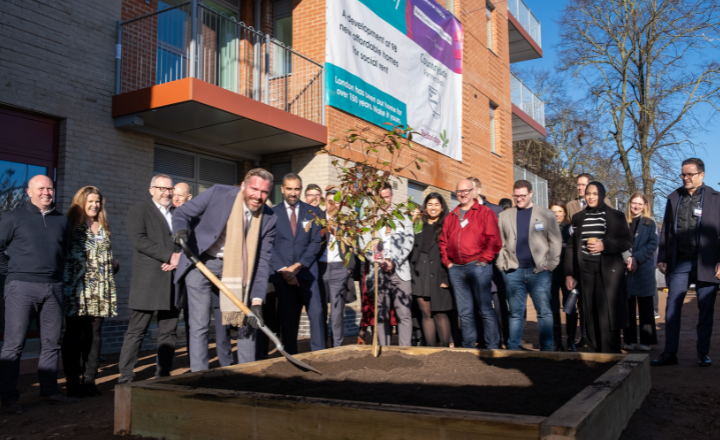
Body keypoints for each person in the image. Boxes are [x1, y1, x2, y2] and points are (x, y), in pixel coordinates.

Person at [172, 168, 277, 370]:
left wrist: (256, 301)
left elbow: (262, 262)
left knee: (247, 321)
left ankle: (247, 374)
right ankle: (199, 376)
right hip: (201, 262)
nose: (258, 196)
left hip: (238, 268)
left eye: (264, 192)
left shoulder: (269, 218)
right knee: (200, 325)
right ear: (244, 186)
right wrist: (180, 231)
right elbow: (182, 212)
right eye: (254, 189)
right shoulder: (218, 193)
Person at [0, 175, 78, 414]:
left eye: (50, 188)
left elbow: (63, 252)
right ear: (29, 192)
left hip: (53, 288)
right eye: (41, 188)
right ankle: (8, 398)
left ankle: (49, 391)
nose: (46, 192)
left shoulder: (61, 221)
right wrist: (12, 271)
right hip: (21, 287)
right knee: (14, 345)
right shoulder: (13, 218)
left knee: (51, 343)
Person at [653, 158, 720, 367]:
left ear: (702, 175)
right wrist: (662, 256)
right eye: (683, 174)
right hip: (680, 262)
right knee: (673, 306)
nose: (685, 178)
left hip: (707, 263)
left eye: (690, 174)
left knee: (705, 309)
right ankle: (670, 353)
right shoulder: (674, 198)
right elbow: (667, 230)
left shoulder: (716, 199)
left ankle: (703, 353)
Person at [117, 174, 182, 383]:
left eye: (169, 189)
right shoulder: (139, 211)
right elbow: (139, 240)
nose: (166, 192)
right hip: (147, 281)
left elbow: (187, 239)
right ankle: (126, 376)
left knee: (169, 332)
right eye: (161, 188)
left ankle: (163, 374)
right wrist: (168, 255)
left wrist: (178, 258)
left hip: (173, 281)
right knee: (136, 331)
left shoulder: (179, 213)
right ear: (151, 190)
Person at [61, 187, 117, 398]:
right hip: (76, 288)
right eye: (90, 201)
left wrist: (113, 262)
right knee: (75, 336)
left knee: (94, 336)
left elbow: (105, 253)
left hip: (101, 288)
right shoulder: (70, 225)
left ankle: (90, 381)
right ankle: (72, 383)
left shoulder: (103, 226)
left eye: (98, 202)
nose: (95, 205)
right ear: (81, 202)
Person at [565, 182, 632, 354]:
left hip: (609, 273)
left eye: (595, 193)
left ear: (601, 195)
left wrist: (605, 246)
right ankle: (594, 353)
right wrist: (570, 274)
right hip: (586, 272)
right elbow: (572, 247)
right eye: (588, 193)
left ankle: (610, 354)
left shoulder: (616, 216)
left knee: (608, 313)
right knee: (589, 312)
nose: (591, 197)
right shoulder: (578, 217)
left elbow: (627, 241)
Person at [497, 181, 562, 351]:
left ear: (531, 194)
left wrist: (550, 264)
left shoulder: (546, 214)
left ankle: (547, 347)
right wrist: (502, 264)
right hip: (513, 271)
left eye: (522, 196)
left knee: (544, 311)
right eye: (516, 196)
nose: (519, 199)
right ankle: (514, 347)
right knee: (516, 313)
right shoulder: (505, 216)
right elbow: (500, 243)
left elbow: (555, 241)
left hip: (539, 271)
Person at [440, 179, 502, 349]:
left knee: (485, 310)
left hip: (478, 267)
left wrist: (483, 260)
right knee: (465, 313)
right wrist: (448, 262)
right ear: (456, 193)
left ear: (474, 191)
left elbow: (494, 239)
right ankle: (468, 348)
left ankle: (492, 346)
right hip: (457, 269)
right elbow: (443, 242)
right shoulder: (451, 216)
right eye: (460, 191)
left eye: (467, 190)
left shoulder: (485, 213)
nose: (463, 193)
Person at [271, 173, 325, 354]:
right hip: (283, 275)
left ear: (300, 190)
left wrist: (298, 266)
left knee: (316, 313)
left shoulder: (313, 212)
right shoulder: (272, 213)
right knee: (287, 317)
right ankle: (290, 355)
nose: (293, 193)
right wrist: (285, 270)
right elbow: (269, 244)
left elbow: (316, 242)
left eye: (296, 189)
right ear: (282, 189)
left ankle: (320, 353)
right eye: (289, 189)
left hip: (307, 273)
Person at [362, 183, 414, 346]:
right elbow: (365, 244)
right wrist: (379, 261)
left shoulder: (402, 217)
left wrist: (395, 261)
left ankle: (405, 350)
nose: (384, 201)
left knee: (404, 314)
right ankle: (384, 351)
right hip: (378, 272)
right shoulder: (369, 219)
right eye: (381, 197)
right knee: (381, 315)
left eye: (387, 197)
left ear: (391, 196)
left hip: (400, 272)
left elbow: (409, 241)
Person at [566, 173, 611, 347]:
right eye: (578, 184)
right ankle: (585, 336)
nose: (580, 188)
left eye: (583, 185)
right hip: (580, 259)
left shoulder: (605, 204)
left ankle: (602, 337)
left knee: (600, 302)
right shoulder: (571, 205)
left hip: (600, 260)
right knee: (583, 303)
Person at [468, 176, 510, 348]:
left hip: (495, 266)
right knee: (479, 305)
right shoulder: (465, 212)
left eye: (471, 189)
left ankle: (505, 339)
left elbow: (505, 237)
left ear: (479, 190)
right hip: (474, 266)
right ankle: (484, 340)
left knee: (499, 306)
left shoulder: (496, 210)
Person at [409, 193, 454, 347]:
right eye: (430, 204)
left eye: (436, 204)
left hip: (439, 272)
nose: (433, 207)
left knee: (440, 313)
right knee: (426, 313)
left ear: (442, 208)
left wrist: (446, 278)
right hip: (419, 272)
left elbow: (451, 253)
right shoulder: (418, 225)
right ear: (425, 207)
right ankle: (430, 350)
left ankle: (445, 349)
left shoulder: (447, 225)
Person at [319, 188, 356, 347]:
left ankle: (337, 348)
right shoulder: (318, 219)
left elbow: (354, 247)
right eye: (330, 202)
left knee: (336, 314)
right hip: (320, 269)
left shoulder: (347, 222)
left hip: (339, 269)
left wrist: (349, 268)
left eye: (337, 202)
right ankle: (320, 347)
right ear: (324, 203)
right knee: (318, 312)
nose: (333, 205)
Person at [622, 192, 658, 352]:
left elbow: (652, 244)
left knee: (646, 308)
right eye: (633, 203)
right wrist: (628, 258)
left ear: (645, 206)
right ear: (629, 204)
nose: (636, 206)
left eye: (639, 204)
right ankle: (629, 340)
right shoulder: (622, 222)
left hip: (644, 270)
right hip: (625, 270)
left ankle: (646, 341)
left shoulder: (651, 223)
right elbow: (619, 242)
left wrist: (636, 257)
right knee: (628, 308)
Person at [549, 201, 577, 351]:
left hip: (568, 274)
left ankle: (571, 341)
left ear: (564, 213)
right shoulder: (545, 228)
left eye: (560, 211)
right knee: (553, 308)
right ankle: (557, 342)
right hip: (551, 275)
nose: (557, 214)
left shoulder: (570, 228)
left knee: (570, 307)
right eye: (553, 211)